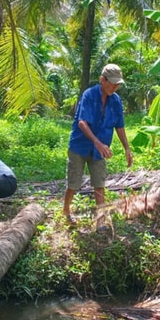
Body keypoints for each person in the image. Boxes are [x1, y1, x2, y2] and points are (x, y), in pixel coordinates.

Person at [62, 63, 133, 228]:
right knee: (74, 183)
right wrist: (97, 143)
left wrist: (127, 148)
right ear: (102, 80)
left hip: (100, 149)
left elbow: (119, 126)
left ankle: (100, 221)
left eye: (117, 84)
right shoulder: (89, 95)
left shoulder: (116, 101)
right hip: (80, 146)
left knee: (99, 183)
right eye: (112, 83)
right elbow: (82, 123)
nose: (115, 87)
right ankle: (66, 210)